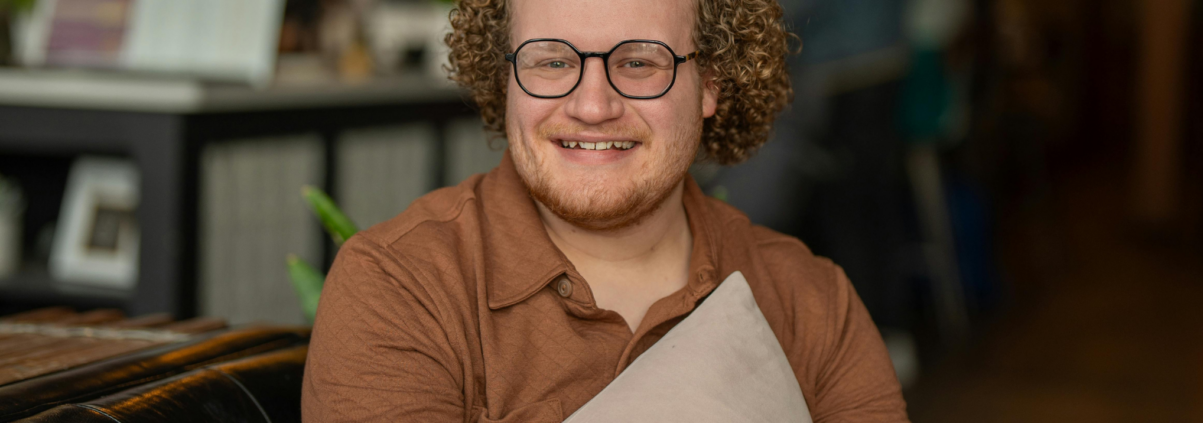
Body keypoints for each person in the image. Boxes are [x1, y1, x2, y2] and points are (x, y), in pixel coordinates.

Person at [301, 0, 909, 420]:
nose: (592, 105)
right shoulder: (401, 289)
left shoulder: (812, 303)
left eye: (640, 62)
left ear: (713, 85)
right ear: (505, 77)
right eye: (553, 60)